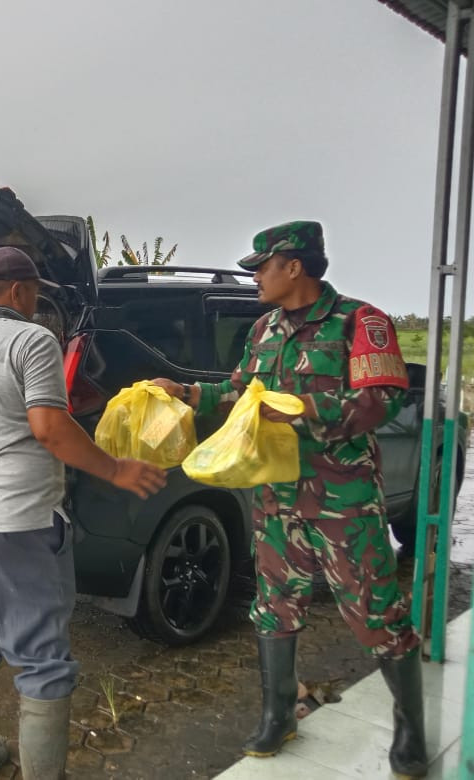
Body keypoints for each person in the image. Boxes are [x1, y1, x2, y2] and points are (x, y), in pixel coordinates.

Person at [152, 221, 426, 777]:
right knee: (274, 608)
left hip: (341, 499)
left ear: (293, 266)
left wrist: (301, 411)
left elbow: (382, 402)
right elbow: (239, 393)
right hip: (276, 499)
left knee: (375, 613)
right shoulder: (264, 331)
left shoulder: (360, 321)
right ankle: (278, 714)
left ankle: (410, 726)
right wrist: (189, 393)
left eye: (261, 267)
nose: (254, 278)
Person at [0, 247, 167, 780]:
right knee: (41, 658)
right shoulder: (31, 338)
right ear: (19, 291)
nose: (36, 302)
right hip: (17, 518)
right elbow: (49, 427)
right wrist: (116, 470)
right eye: (35, 292)